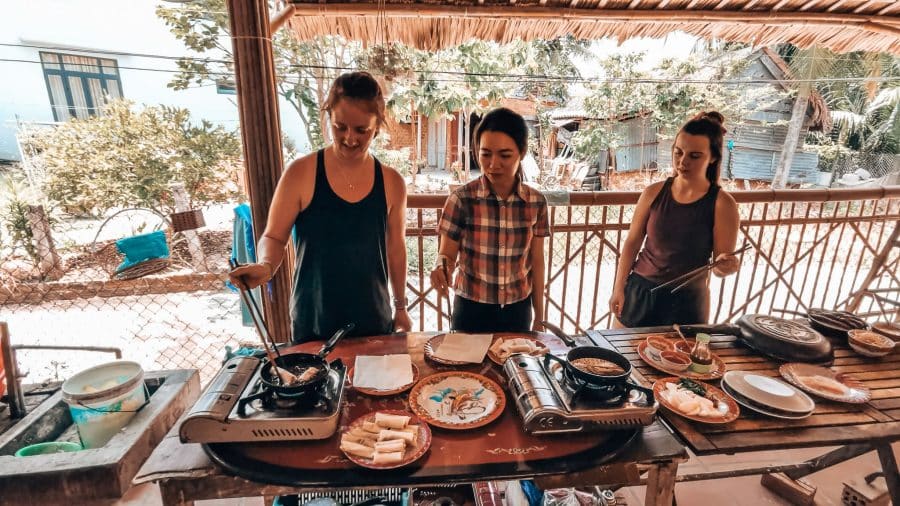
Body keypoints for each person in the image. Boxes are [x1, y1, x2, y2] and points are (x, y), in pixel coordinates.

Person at [229, 71, 411, 343]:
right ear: (329, 118)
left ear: (378, 126)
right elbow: (274, 236)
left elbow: (395, 248)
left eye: (362, 130)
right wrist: (266, 266)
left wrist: (400, 307)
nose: (350, 138)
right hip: (314, 316)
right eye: (340, 127)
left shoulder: (392, 182)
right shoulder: (300, 173)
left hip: (372, 315)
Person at [609, 111, 741, 328]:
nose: (683, 162)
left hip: (687, 302)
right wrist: (618, 288)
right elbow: (632, 243)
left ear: (713, 157)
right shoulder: (653, 193)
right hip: (641, 292)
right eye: (678, 152)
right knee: (621, 358)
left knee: (678, 362)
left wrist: (727, 265)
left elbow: (718, 267)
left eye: (694, 156)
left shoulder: (722, 204)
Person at [430, 107, 550, 333]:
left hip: (518, 309)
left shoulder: (536, 202)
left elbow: (537, 261)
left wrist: (540, 316)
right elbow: (446, 255)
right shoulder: (461, 199)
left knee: (516, 368)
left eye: (505, 155)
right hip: (470, 310)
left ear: (522, 153)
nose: (494, 164)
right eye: (485, 154)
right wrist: (440, 268)